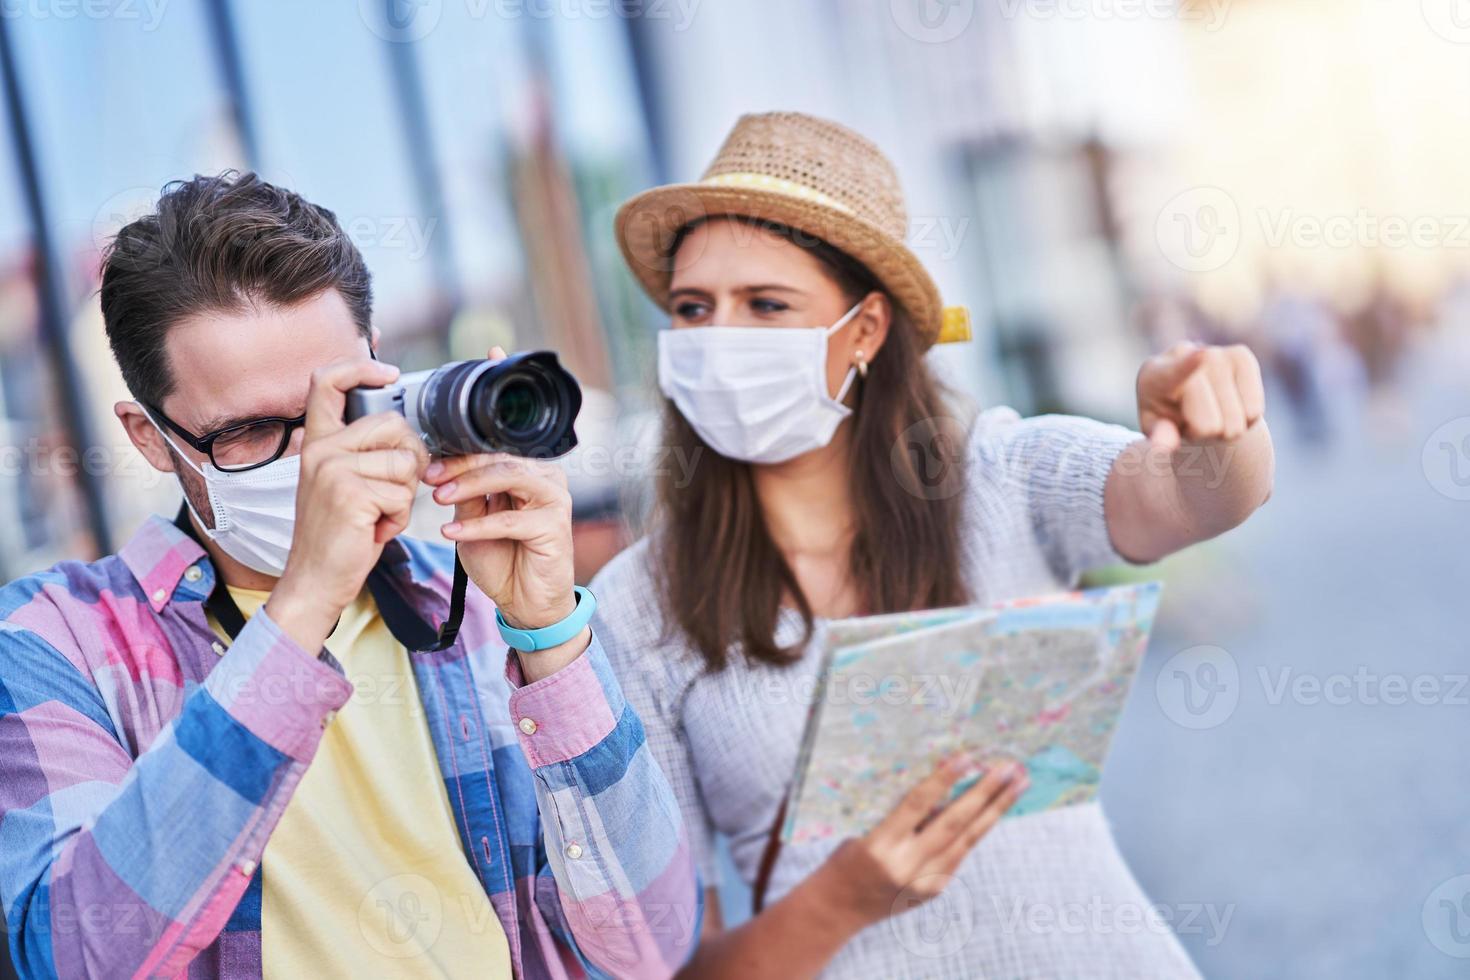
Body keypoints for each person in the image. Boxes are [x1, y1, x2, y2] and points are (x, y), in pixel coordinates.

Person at [590, 112, 1274, 978]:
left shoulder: (997, 477)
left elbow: (1197, 497)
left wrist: (1219, 422)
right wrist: (839, 901)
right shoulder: (633, 609)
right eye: (694, 308)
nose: (720, 340)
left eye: (766, 305)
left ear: (866, 330)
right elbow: (675, 966)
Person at [0, 173, 698, 979]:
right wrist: (301, 605)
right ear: (150, 437)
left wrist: (548, 635)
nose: (321, 457)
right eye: (256, 430)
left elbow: (651, 947)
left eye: (344, 402)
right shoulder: (47, 643)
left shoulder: (473, 607)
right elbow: (75, 958)